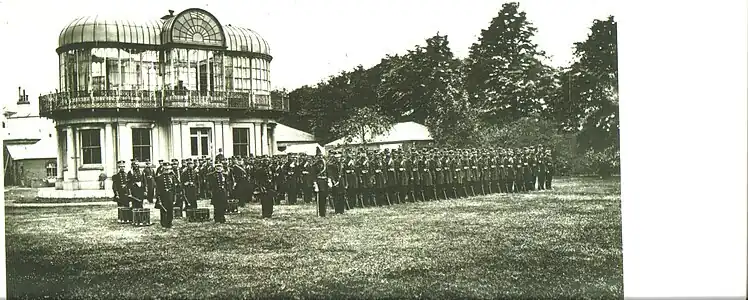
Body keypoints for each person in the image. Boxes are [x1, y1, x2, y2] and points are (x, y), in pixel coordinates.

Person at [155, 162, 179, 228]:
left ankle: (169, 222)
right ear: (163, 169)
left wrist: (174, 197)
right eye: (166, 169)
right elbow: (158, 190)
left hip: (170, 195)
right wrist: (158, 198)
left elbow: (174, 188)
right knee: (163, 209)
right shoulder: (159, 178)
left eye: (168, 169)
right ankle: (163, 223)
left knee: (170, 209)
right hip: (163, 195)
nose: (167, 171)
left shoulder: (172, 177)